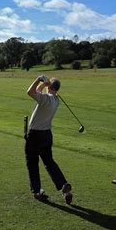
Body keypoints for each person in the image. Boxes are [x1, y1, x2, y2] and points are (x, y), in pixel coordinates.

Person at [25, 75, 73, 204]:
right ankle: (63, 186)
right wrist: (46, 84)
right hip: (47, 135)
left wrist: (38, 79)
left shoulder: (45, 99)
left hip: (35, 135)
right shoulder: (56, 100)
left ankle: (37, 191)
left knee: (32, 163)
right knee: (49, 162)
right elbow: (39, 91)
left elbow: (30, 91)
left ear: (50, 87)